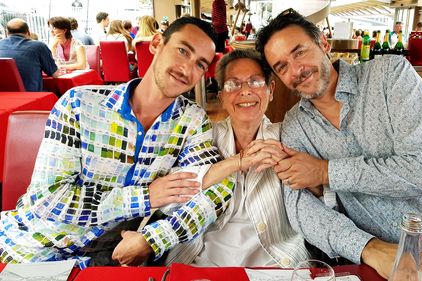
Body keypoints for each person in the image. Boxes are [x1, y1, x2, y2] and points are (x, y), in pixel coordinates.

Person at [255, 8, 422, 279]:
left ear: (324, 43)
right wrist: (367, 248)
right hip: (384, 268)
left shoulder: (389, 75)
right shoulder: (296, 126)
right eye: (282, 67)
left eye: (299, 52)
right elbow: (300, 208)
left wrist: (326, 171)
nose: (296, 70)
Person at [0, 16, 235, 269]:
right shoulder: (79, 103)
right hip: (34, 247)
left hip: (115, 256)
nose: (187, 69)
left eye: (200, 64)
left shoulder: (191, 119)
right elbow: (48, 198)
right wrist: (145, 197)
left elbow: (217, 188)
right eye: (182, 51)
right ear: (157, 43)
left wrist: (152, 239)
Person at [113, 49, 310, 267]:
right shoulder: (202, 137)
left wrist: (299, 172)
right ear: (221, 96)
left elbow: (320, 198)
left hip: (274, 261)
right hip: (202, 259)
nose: (245, 91)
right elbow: (169, 201)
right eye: (233, 84)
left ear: (271, 90)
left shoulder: (288, 137)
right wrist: (237, 162)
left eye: (255, 82)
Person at [0, 18, 59, 91]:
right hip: (31, 95)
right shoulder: (39, 46)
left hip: (3, 96)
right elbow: (55, 74)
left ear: (7, 33)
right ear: (28, 32)